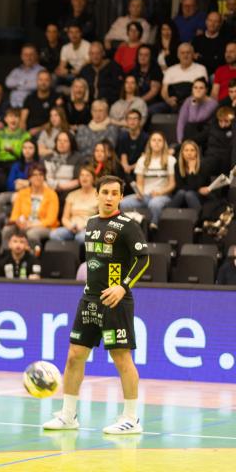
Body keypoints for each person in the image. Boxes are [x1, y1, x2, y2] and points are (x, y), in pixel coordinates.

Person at [43, 174, 149, 435]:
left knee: (121, 358)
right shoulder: (90, 223)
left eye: (114, 193)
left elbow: (143, 259)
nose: (109, 197)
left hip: (116, 301)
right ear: (97, 194)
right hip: (89, 299)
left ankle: (131, 419)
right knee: (74, 356)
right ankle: (68, 415)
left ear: (121, 197)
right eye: (105, 192)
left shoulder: (128, 225)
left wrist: (123, 286)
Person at [119, 131, 176, 228]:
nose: (156, 143)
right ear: (149, 143)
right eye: (154, 140)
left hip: (163, 196)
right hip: (145, 196)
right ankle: (128, 227)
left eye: (159, 140)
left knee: (154, 204)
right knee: (123, 203)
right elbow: (140, 183)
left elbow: (172, 184)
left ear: (164, 143)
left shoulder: (171, 160)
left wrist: (160, 192)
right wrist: (140, 192)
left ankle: (153, 225)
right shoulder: (142, 160)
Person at [2, 165, 59, 249]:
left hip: (44, 227)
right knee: (7, 230)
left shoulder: (52, 194)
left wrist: (32, 225)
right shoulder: (22, 193)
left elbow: (51, 220)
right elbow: (15, 215)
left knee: (31, 233)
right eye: (34, 175)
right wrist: (19, 222)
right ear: (29, 178)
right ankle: (6, 254)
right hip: (24, 224)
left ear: (44, 177)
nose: (38, 177)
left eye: (41, 174)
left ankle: (34, 255)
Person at [52, 166, 98, 242]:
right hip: (72, 227)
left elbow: (100, 218)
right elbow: (65, 218)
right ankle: (68, 249)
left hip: (88, 228)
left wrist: (85, 226)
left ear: (93, 179)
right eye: (82, 175)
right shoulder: (72, 195)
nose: (84, 178)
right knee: (54, 234)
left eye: (87, 175)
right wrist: (70, 226)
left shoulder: (99, 195)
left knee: (80, 238)